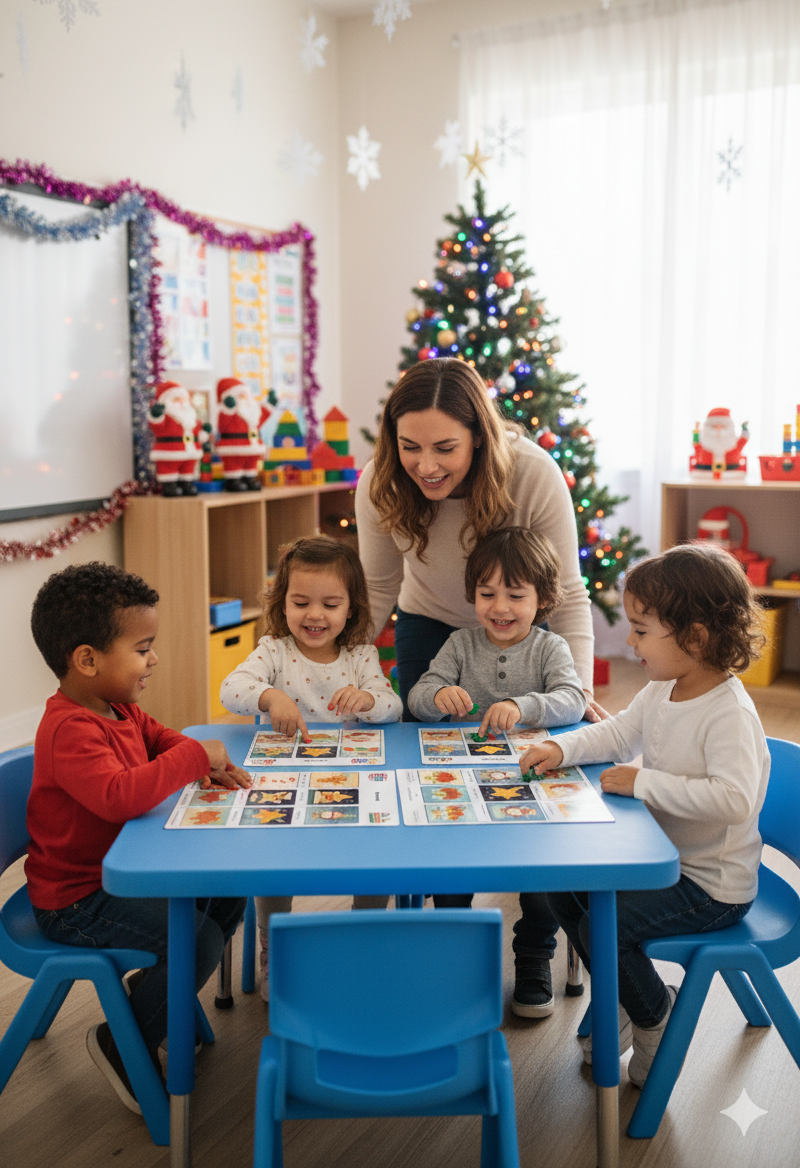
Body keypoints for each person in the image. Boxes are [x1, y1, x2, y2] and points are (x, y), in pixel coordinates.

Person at [355, 357, 599, 1013]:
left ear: (480, 438)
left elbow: (570, 593)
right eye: (409, 446)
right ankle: (452, 940)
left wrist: (574, 690)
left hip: (525, 633)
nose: (425, 465)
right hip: (431, 625)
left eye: (445, 448)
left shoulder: (532, 474)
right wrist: (335, 675)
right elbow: (376, 589)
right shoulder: (381, 482)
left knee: (537, 794)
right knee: (436, 785)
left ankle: (535, 949)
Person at [518, 544, 770, 1087]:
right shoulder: (663, 688)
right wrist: (561, 748)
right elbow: (616, 733)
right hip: (664, 862)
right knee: (562, 888)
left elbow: (735, 799)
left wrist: (644, 782)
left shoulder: (728, 712)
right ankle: (630, 994)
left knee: (604, 927)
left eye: (640, 630)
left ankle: (655, 1012)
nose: (630, 642)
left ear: (695, 637)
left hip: (712, 886)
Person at [26, 562, 250, 1114]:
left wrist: (196, 757)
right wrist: (194, 757)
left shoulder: (117, 705)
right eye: (143, 649)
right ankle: (122, 1041)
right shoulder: (69, 729)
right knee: (195, 941)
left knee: (228, 894)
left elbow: (162, 738)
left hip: (122, 872)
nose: (154, 660)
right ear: (87, 660)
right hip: (76, 899)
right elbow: (119, 796)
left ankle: (157, 999)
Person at [409, 526, 586, 1017]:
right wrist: (437, 696)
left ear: (543, 599)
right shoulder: (459, 644)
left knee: (542, 875)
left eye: (515, 595)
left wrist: (522, 705)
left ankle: (534, 956)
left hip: (530, 786)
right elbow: (418, 697)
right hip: (459, 788)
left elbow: (573, 700)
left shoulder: (550, 648)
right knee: (451, 866)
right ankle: (459, 955)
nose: (500, 607)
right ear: (473, 595)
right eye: (487, 594)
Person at [220, 535, 401, 1001]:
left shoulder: (361, 656)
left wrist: (368, 700)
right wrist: (269, 695)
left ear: (351, 608)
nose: (314, 615)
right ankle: (273, 948)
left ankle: (364, 938)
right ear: (282, 603)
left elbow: (393, 707)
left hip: (350, 785)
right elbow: (231, 688)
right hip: (284, 785)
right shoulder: (274, 651)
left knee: (377, 854)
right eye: (300, 602)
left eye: (330, 604)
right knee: (272, 861)